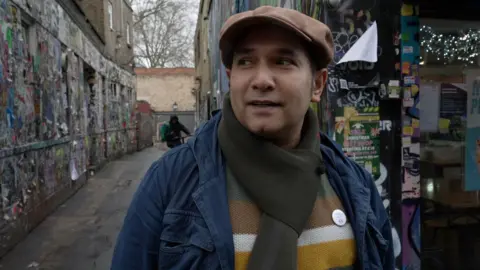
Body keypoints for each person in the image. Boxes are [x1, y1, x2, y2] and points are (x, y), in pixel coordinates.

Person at [112, 6, 394, 270]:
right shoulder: (170, 181)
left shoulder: (354, 186)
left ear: (317, 84)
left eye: (283, 61)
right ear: (231, 77)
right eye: (246, 62)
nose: (261, 80)